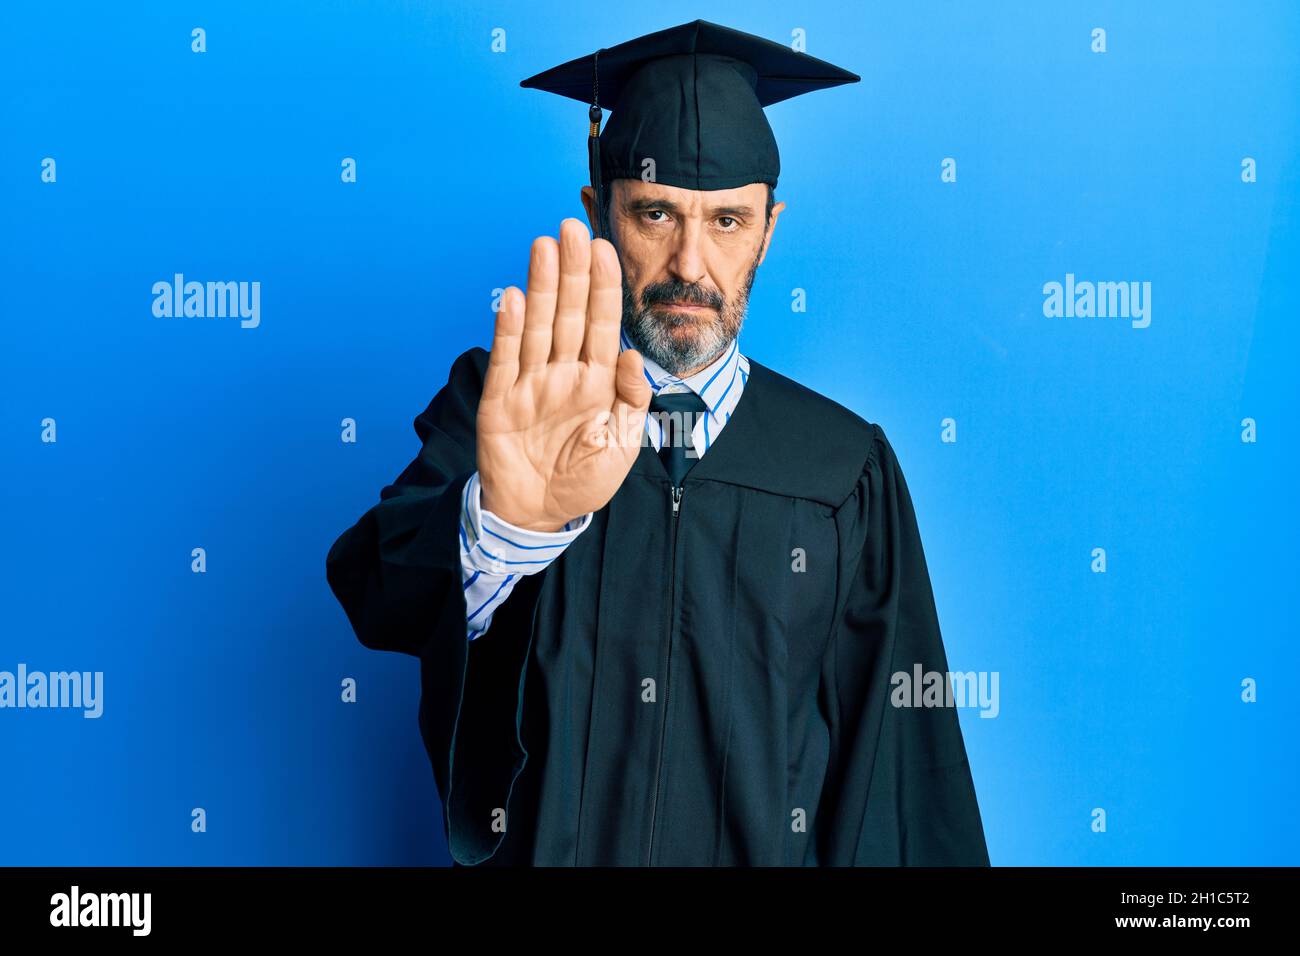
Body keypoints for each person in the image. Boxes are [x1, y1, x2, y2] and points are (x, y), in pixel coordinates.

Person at [326, 19, 991, 866]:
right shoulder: (509, 407)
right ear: (598, 213)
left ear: (768, 231)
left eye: (727, 222)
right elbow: (377, 596)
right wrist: (506, 526)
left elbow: (899, 779)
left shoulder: (840, 467)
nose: (690, 265)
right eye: (655, 213)